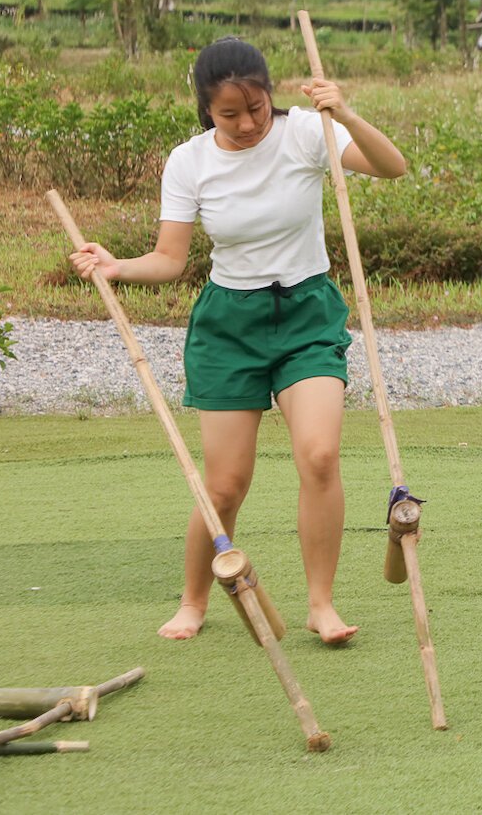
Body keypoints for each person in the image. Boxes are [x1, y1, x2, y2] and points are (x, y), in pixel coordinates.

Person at [68, 37, 408, 643]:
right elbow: (170, 259)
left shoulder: (307, 131)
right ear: (206, 110)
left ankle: (321, 605)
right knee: (224, 483)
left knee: (320, 455)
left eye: (256, 107)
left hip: (307, 314)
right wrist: (115, 265)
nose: (248, 123)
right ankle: (194, 599)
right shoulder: (189, 161)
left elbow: (392, 166)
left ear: (269, 94)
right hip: (229, 325)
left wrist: (346, 112)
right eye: (230, 114)